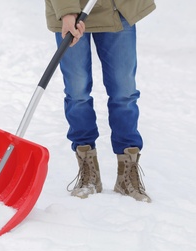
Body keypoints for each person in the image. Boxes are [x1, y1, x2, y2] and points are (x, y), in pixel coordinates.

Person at [45, 0, 156, 202]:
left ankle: (127, 173)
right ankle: (88, 171)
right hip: (71, 13)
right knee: (77, 92)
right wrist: (67, 12)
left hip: (117, 9)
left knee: (124, 93)